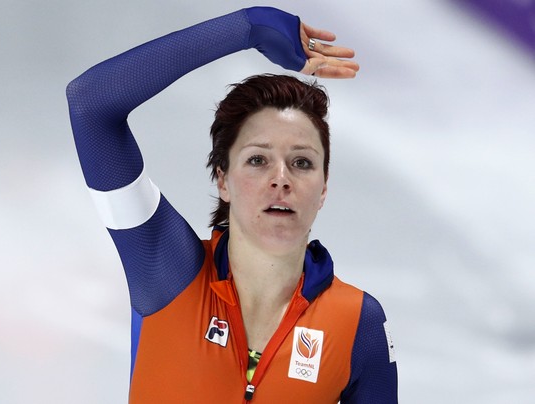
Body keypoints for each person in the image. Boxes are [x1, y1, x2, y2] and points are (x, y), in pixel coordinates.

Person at [66, 6, 398, 403]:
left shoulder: (357, 321)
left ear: (324, 186)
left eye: (302, 162)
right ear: (222, 179)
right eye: (258, 160)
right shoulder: (167, 271)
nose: (281, 178)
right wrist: (247, 27)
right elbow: (90, 105)